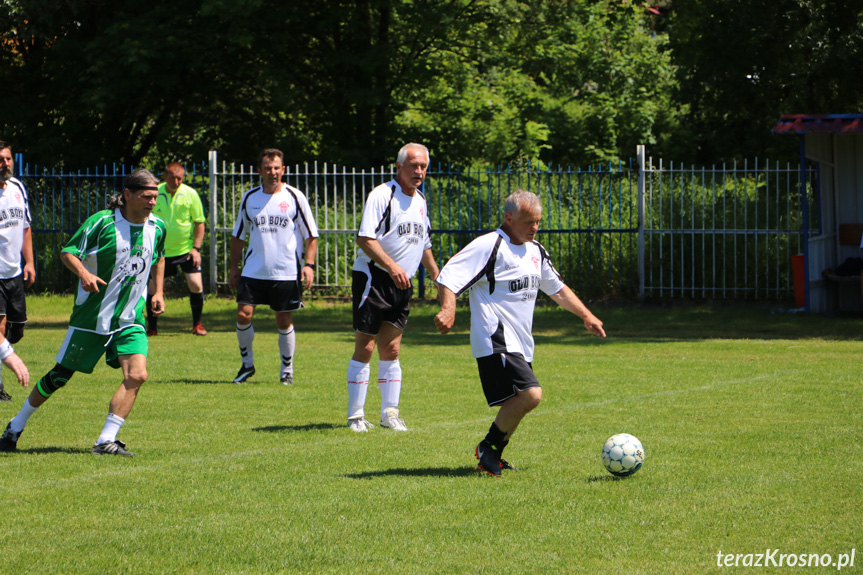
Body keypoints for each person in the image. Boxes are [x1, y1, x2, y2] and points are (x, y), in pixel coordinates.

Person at [434, 189, 606, 476]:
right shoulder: (489, 245)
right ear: (509, 218)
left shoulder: (535, 251)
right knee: (531, 394)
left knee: (523, 399)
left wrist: (586, 315)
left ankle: (492, 452)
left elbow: (557, 289)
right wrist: (449, 310)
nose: (534, 228)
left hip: (520, 342)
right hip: (496, 338)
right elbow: (449, 276)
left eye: (537, 221)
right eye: (528, 222)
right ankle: (488, 448)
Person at [0, 169, 166, 456]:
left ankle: (106, 440)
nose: (152, 202)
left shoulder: (158, 227)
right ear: (128, 195)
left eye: (155, 197)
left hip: (130, 318)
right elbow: (68, 252)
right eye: (146, 196)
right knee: (60, 376)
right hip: (93, 318)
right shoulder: (101, 223)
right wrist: (84, 275)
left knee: (137, 375)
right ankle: (15, 427)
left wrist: (158, 291)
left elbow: (158, 257)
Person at [346, 143, 440, 433]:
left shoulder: (421, 200)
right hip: (374, 277)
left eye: (423, 166)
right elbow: (365, 238)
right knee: (367, 345)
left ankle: (389, 413)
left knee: (393, 348)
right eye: (413, 165)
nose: (419, 171)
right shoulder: (382, 195)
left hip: (402, 282)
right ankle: (356, 416)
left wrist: (438, 278)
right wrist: (392, 266)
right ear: (398, 167)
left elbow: (424, 244)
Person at [229, 148, 318, 385]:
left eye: (277, 168)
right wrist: (233, 268)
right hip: (254, 270)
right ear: (259, 171)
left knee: (283, 320)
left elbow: (311, 235)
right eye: (268, 168)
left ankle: (286, 370)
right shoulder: (250, 198)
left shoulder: (295, 197)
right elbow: (238, 236)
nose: (272, 172)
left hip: (286, 271)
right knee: (242, 314)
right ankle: (247, 365)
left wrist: (308, 265)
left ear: (283, 170)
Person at [146, 162, 207, 336]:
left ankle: (197, 324)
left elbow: (199, 222)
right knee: (153, 288)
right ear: (165, 176)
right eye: (173, 177)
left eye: (180, 178)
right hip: (160, 251)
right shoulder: (155, 192)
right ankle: (152, 327)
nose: (177, 181)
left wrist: (196, 248)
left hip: (185, 250)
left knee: (196, 284)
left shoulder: (190, 194)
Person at [0, 141, 35, 402]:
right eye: (0, 159)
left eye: (8, 159)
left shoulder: (17, 188)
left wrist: (30, 262)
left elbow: (24, 227)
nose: (5, 164)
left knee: (17, 329)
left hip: (14, 273)